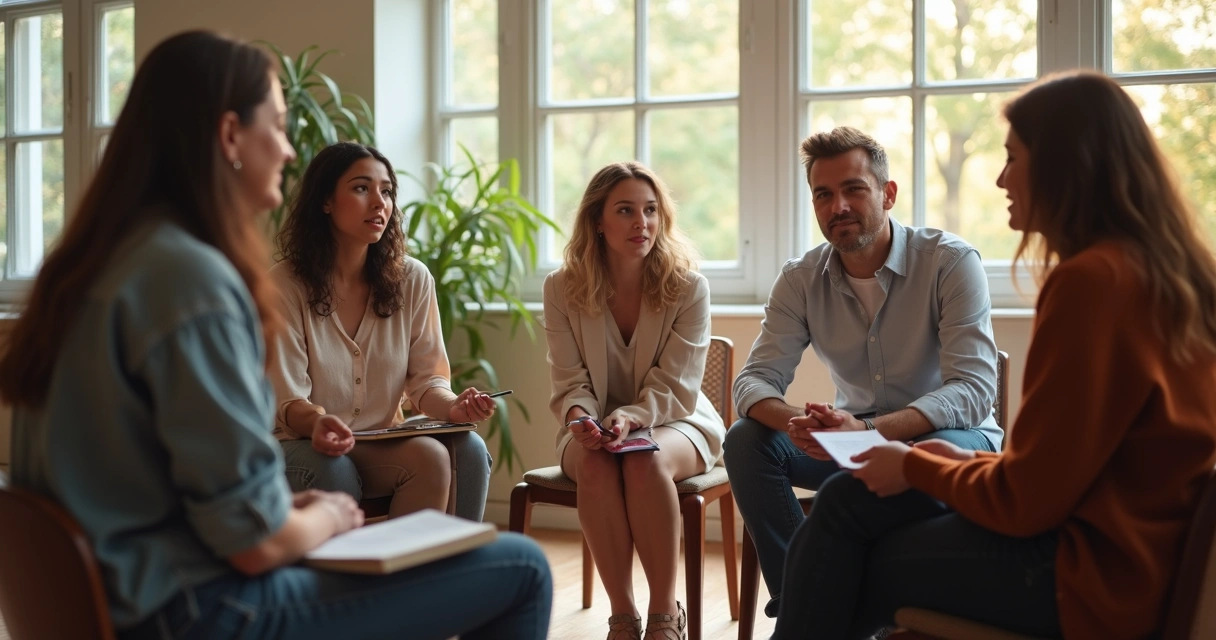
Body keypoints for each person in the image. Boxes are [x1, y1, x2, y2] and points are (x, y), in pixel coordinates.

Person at [0, 31, 551, 640]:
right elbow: (256, 547)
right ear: (231, 136)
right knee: (524, 567)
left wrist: (290, 510)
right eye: (279, 125)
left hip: (121, 598)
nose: (289, 151)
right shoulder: (191, 280)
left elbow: (174, 488)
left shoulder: (91, 266)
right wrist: (325, 518)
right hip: (196, 612)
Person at [772, 70, 1216, 640]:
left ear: (1065, 166)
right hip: (1136, 554)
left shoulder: (1091, 284)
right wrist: (944, 460)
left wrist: (913, 464)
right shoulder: (1167, 274)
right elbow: (1058, 473)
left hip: (1087, 574)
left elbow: (1028, 502)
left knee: (852, 541)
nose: (1003, 179)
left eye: (1013, 158)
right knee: (848, 504)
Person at [724, 125, 1003, 618]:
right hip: (850, 441)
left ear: (887, 193)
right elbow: (752, 381)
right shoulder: (799, 279)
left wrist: (872, 429)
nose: (839, 208)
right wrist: (801, 423)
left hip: (952, 437)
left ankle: (855, 611)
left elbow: (976, 390)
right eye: (823, 195)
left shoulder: (950, 262)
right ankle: (803, 606)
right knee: (746, 440)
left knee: (945, 450)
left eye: (854, 189)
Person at [544, 161, 725, 640]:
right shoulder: (561, 288)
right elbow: (569, 380)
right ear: (597, 221)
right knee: (598, 463)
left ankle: (666, 613)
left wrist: (630, 416)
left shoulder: (689, 288)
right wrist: (582, 417)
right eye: (625, 210)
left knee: (643, 460)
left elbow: (678, 386)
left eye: (650, 210)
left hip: (676, 420)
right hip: (591, 425)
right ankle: (622, 615)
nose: (641, 222)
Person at [269, 141, 493, 521]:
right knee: (337, 465)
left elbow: (427, 384)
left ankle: (447, 574)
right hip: (303, 442)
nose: (380, 202)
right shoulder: (285, 284)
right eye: (361, 188)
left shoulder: (412, 278)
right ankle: (373, 576)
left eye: (386, 191)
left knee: (465, 449)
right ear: (325, 201)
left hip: (379, 442)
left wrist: (453, 406)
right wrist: (319, 421)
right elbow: (288, 403)